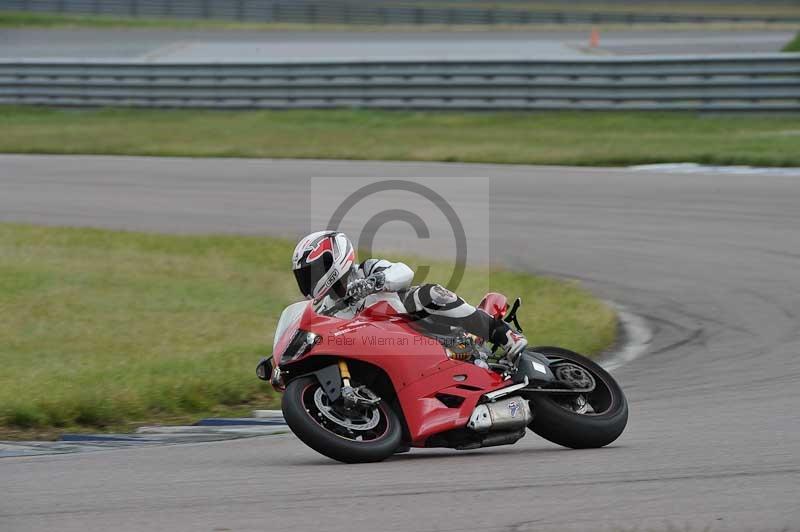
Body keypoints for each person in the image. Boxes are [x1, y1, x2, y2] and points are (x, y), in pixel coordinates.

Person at [291, 230, 528, 366]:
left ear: (336, 258)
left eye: (314, 271)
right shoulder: (325, 307)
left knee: (431, 293)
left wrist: (376, 281)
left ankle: (503, 334)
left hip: (413, 324)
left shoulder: (366, 269)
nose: (310, 280)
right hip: (386, 349)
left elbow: (404, 272)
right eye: (304, 276)